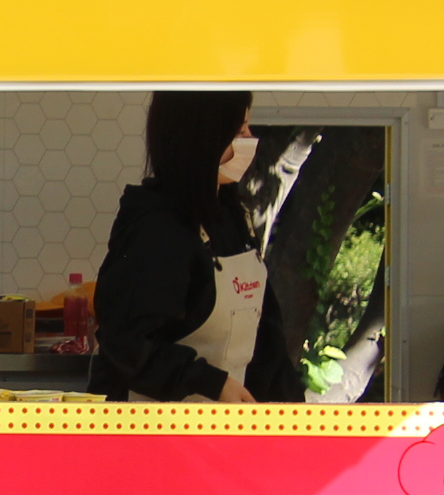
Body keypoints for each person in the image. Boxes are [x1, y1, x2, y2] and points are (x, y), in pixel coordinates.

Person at [88, 91, 302, 404]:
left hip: (221, 425)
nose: (249, 140)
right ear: (201, 137)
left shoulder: (232, 217)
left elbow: (267, 338)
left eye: (247, 128)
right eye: (238, 131)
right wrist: (210, 383)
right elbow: (128, 343)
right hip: (151, 425)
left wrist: (292, 408)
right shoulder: (157, 227)